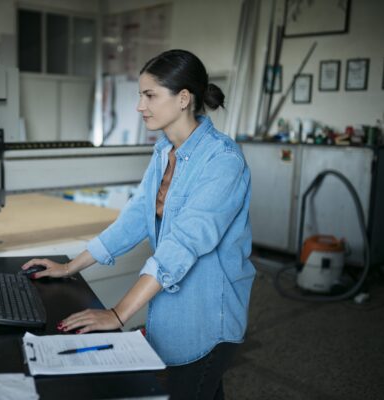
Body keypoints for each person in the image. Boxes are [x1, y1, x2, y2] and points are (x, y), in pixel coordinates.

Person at [21, 49, 255, 400]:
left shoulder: (223, 161)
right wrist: (71, 265)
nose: (139, 106)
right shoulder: (164, 151)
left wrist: (118, 314)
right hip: (171, 315)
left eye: (150, 95)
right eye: (140, 95)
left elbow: (183, 244)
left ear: (183, 99)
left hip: (206, 320)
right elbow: (134, 217)